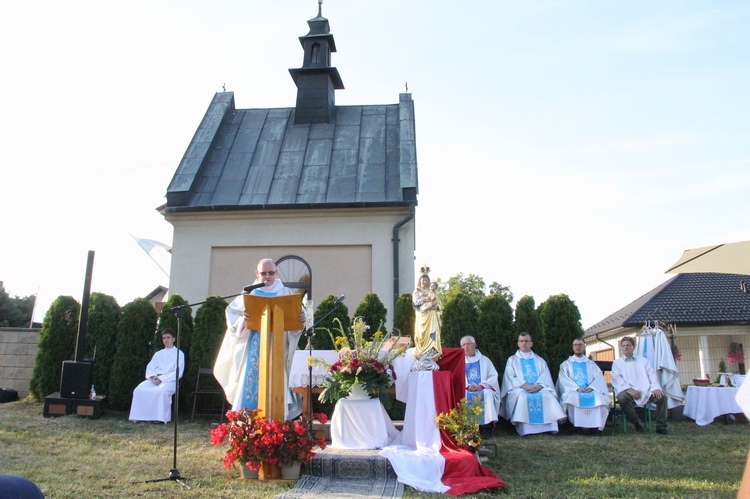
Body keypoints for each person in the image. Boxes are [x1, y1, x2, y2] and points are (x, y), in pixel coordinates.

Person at [214, 258, 306, 420]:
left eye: (271, 273)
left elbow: (296, 322)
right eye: (263, 273)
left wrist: (300, 319)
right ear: (257, 273)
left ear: (276, 273)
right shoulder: (249, 293)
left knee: (276, 380)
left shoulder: (285, 293)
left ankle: (275, 422)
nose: (267, 277)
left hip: (277, 346)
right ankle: (248, 423)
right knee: (249, 381)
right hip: (253, 348)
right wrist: (243, 319)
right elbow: (233, 318)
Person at [499, 332, 565, 436]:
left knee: (548, 395)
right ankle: (526, 430)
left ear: (531, 344)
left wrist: (539, 386)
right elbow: (510, 377)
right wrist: (524, 385)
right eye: (521, 341)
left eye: (526, 341)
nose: (523, 343)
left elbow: (545, 376)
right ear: (518, 343)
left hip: (538, 387)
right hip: (519, 388)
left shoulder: (539, 360)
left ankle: (549, 428)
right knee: (523, 397)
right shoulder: (512, 360)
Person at [611, 336, 668, 434]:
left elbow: (651, 375)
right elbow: (617, 379)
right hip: (628, 391)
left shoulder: (643, 360)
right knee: (622, 398)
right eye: (623, 345)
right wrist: (630, 390)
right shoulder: (617, 363)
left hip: (645, 389)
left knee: (662, 398)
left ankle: (661, 427)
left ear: (633, 347)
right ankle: (637, 422)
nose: (626, 347)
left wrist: (655, 388)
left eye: (628, 345)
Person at [129, 328, 185, 423]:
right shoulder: (158, 354)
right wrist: (153, 377)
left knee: (161, 391)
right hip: (154, 379)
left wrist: (161, 379)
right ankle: (141, 417)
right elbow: (150, 367)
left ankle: (159, 418)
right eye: (164, 338)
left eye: (168, 337)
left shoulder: (179, 354)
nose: (166, 340)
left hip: (170, 381)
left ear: (173, 339)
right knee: (138, 390)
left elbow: (177, 372)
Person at [556, 338, 611, 433]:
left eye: (580, 345)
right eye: (575, 345)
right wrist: (576, 388)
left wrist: (592, 387)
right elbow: (563, 380)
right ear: (573, 347)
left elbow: (599, 378)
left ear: (584, 346)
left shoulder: (591, 364)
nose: (578, 347)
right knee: (573, 398)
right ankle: (577, 426)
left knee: (599, 398)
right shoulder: (566, 364)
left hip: (590, 390)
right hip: (574, 391)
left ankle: (595, 426)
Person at [460, 335, 500, 438]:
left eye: (468, 344)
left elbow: (493, 376)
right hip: (467, 389)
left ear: (474, 345)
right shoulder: (459, 361)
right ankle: (467, 428)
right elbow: (456, 377)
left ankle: (487, 427)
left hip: (482, 388)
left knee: (487, 393)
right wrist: (467, 386)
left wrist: (482, 385)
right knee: (462, 395)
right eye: (463, 345)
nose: (466, 347)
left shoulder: (485, 360)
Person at [412, 265, 442, 360]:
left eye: (426, 280)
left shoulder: (432, 292)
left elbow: (439, 305)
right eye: (423, 280)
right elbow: (416, 303)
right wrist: (426, 300)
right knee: (422, 334)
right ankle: (422, 350)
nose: (424, 282)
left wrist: (436, 306)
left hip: (432, 316)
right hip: (422, 315)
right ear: (420, 281)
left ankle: (431, 351)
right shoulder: (417, 292)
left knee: (432, 333)